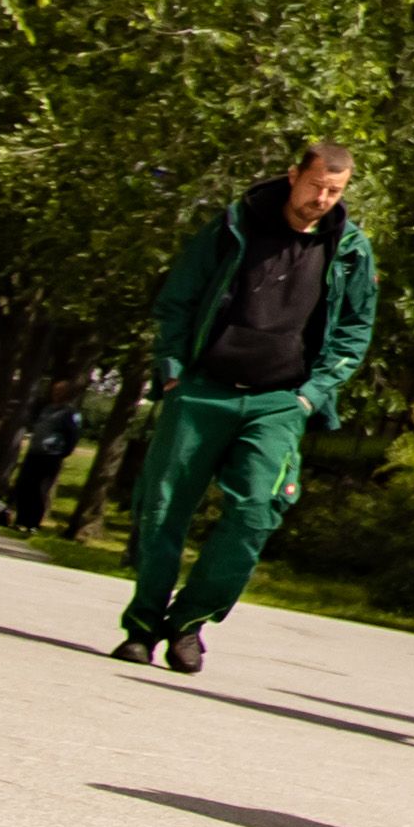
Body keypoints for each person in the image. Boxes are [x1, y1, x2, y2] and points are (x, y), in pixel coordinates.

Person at [113, 143, 377, 675]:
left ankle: (189, 623)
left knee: (258, 510)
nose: (322, 200)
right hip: (200, 390)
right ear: (293, 175)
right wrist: (170, 371)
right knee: (162, 511)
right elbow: (177, 299)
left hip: (280, 401)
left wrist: (314, 392)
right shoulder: (235, 225)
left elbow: (355, 329)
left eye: (335, 191)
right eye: (315, 186)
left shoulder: (349, 248)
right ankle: (142, 626)